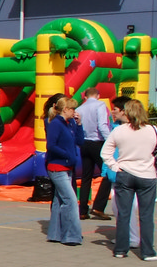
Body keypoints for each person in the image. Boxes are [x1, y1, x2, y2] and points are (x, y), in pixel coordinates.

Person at [101, 99, 157, 261]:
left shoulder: (119, 131)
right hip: (147, 175)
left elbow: (105, 153)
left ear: (127, 112)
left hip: (125, 174)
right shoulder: (155, 131)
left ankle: (120, 250)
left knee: (123, 214)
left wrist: (115, 166)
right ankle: (148, 252)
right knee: (146, 216)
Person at [44, 96, 83, 247]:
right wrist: (67, 155)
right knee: (70, 201)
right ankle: (71, 235)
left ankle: (55, 233)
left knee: (58, 200)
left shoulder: (70, 123)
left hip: (68, 166)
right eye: (72, 109)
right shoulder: (55, 124)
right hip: (57, 167)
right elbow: (51, 145)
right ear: (65, 109)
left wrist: (79, 125)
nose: (74, 111)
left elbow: (79, 141)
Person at [77, 86, 113, 219]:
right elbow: (102, 125)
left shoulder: (80, 108)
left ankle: (82, 210)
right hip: (97, 142)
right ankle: (98, 206)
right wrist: (111, 140)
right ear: (98, 95)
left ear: (85, 97)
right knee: (109, 173)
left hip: (85, 142)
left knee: (86, 176)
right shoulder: (100, 105)